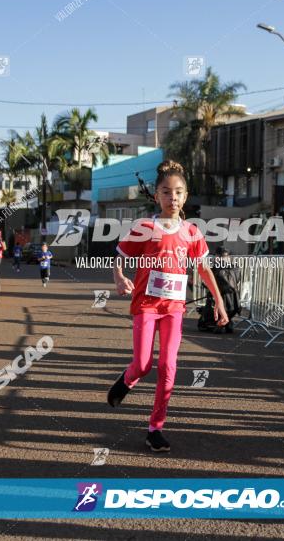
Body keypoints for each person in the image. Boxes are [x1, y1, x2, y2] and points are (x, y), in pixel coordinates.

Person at [108, 160, 229, 452]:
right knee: (143, 365)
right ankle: (127, 380)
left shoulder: (192, 232)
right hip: (147, 305)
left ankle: (155, 428)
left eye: (177, 192)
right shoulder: (145, 227)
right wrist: (120, 277)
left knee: (168, 366)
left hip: (174, 307)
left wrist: (220, 302)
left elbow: (204, 270)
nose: (171, 197)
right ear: (157, 196)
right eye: (165, 192)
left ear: (185, 197)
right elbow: (119, 256)